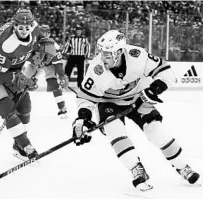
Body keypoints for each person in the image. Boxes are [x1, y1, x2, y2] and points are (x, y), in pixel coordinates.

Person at [72, 30, 200, 191]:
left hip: (138, 98)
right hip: (109, 102)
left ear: (118, 52)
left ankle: (183, 166)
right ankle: (135, 168)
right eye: (101, 52)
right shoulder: (96, 68)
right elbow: (86, 98)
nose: (102, 57)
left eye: (107, 54)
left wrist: (155, 89)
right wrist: (82, 119)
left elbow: (165, 70)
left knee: (157, 131)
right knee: (114, 130)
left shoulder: (137, 55)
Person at [0, 9, 56, 161]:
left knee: (25, 106)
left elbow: (37, 53)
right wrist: (22, 78)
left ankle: (18, 146)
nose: (24, 31)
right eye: (20, 27)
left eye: (27, 27)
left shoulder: (35, 28)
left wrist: (39, 64)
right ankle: (26, 145)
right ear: (14, 25)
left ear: (32, 25)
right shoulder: (7, 44)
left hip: (11, 69)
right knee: (8, 109)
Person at [39, 24, 69, 118]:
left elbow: (58, 63)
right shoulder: (35, 42)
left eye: (46, 32)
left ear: (49, 33)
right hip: (37, 63)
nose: (44, 34)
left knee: (54, 86)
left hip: (49, 66)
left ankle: (62, 108)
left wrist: (61, 76)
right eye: (42, 32)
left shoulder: (53, 45)